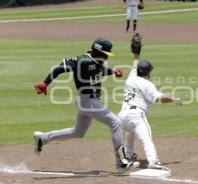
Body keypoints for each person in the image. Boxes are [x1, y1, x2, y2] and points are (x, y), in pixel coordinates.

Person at [33, 38, 139, 173]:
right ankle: (121, 162)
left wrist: (112, 71)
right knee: (116, 123)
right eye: (105, 54)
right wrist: (45, 83)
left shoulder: (97, 61)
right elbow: (60, 68)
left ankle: (43, 138)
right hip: (87, 102)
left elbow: (98, 70)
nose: (107, 57)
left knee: (78, 132)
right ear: (98, 52)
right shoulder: (81, 60)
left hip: (89, 102)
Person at [118, 33, 182, 171]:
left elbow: (134, 64)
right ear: (148, 73)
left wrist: (136, 54)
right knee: (146, 138)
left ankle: (128, 154)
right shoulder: (147, 84)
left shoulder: (132, 77)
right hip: (136, 115)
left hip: (122, 116)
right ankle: (153, 161)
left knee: (131, 130)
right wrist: (174, 99)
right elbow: (160, 99)